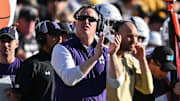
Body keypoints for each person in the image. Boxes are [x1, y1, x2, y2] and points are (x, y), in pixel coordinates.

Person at [51, 5, 125, 101]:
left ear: (98, 25)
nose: (86, 22)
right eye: (82, 18)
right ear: (75, 24)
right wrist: (94, 58)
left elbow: (116, 83)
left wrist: (113, 55)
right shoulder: (61, 49)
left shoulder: (106, 51)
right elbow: (69, 79)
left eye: (91, 19)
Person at [10, 21, 63, 101]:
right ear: (42, 37)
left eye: (60, 35)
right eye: (54, 35)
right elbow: (16, 96)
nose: (59, 39)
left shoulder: (63, 63)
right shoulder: (31, 65)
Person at [106, 20, 154, 101]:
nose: (134, 41)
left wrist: (142, 60)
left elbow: (147, 89)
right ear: (116, 35)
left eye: (136, 36)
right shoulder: (103, 58)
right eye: (130, 36)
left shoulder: (131, 61)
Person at [0, 26, 23, 101]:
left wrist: (18, 92)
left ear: (17, 43)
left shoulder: (24, 67)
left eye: (9, 41)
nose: (6, 44)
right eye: (3, 41)